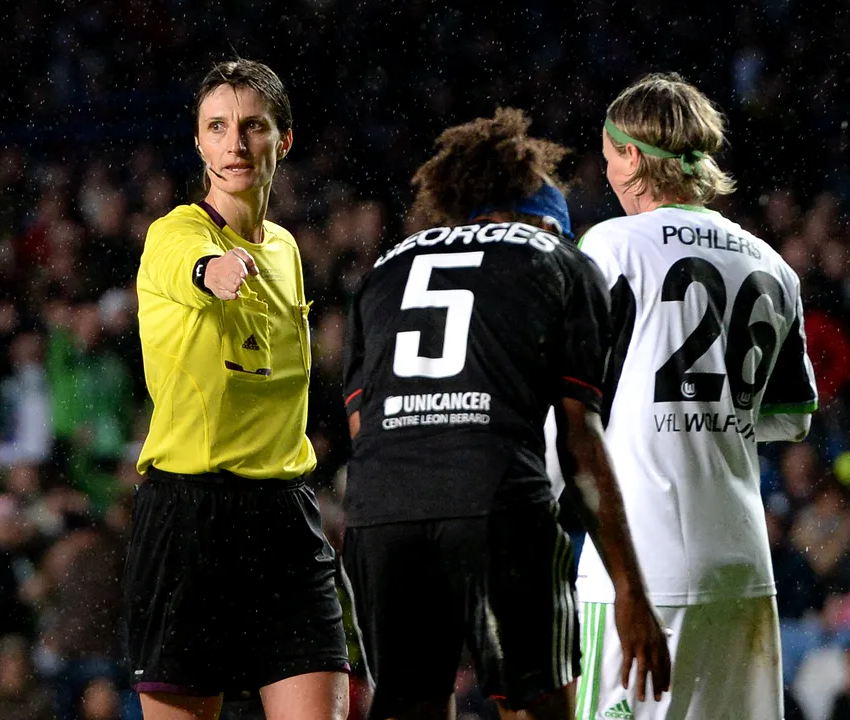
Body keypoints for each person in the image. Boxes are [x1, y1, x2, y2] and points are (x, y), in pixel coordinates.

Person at [340, 108, 670, 720]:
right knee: (533, 702)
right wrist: (629, 587)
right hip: (496, 503)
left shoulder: (384, 270)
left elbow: (364, 428)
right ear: (544, 219)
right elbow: (579, 439)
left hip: (382, 513)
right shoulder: (557, 259)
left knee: (409, 704)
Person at [572, 73, 819, 720]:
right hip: (740, 566)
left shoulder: (609, 247)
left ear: (631, 155)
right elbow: (789, 420)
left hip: (638, 574)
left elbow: (567, 404)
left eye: (606, 158)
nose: (606, 175)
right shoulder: (771, 263)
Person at [126, 58, 349, 720]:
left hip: (285, 519)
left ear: (284, 139)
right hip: (191, 519)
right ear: (198, 143)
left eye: (252, 126)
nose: (234, 145)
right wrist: (211, 270)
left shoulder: (285, 250)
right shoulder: (174, 234)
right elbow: (185, 263)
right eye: (216, 127)